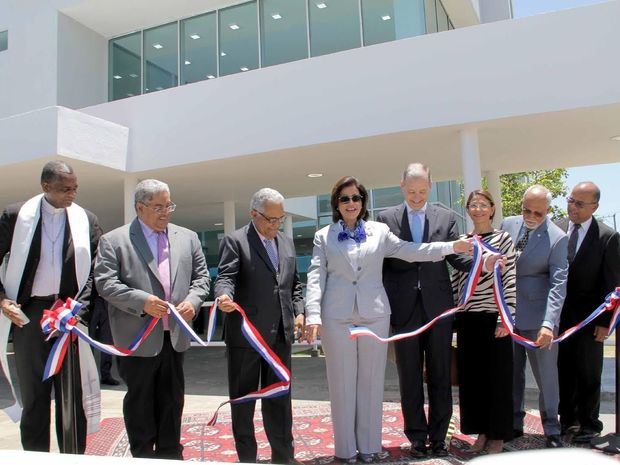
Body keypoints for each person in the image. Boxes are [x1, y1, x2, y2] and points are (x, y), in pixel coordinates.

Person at [304, 176, 475, 463]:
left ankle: (370, 447)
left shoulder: (380, 231)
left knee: (371, 382)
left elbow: (412, 251)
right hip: (337, 316)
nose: (351, 203)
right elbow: (314, 276)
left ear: (363, 202)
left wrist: (450, 247)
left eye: (356, 198)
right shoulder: (324, 236)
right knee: (342, 383)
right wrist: (313, 314)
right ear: (336, 203)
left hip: (374, 314)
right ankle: (345, 450)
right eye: (344, 198)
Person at [95, 179, 210, 459]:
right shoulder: (114, 240)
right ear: (139, 207)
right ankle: (143, 454)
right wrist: (142, 301)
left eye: (168, 205)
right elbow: (105, 284)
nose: (165, 212)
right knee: (140, 401)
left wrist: (193, 302)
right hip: (137, 338)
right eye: (158, 207)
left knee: (172, 400)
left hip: (175, 336)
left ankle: (171, 452)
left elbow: (202, 278)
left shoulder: (188, 237)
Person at [0, 160, 101, 453]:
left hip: (70, 314)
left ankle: (74, 456)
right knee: (36, 395)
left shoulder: (87, 219)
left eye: (75, 188)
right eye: (64, 189)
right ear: (46, 187)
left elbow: (97, 269)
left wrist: (79, 309)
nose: (72, 194)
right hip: (29, 316)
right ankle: (35, 456)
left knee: (73, 392)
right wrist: (3, 299)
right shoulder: (16, 215)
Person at [376, 163, 471, 457]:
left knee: (441, 374)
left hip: (438, 308)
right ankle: (417, 436)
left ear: (430, 186)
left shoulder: (445, 216)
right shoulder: (385, 218)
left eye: (422, 190)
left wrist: (483, 264)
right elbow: (380, 264)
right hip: (403, 308)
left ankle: (439, 436)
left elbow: (457, 259)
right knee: (409, 375)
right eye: (412, 190)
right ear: (402, 186)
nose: (417, 197)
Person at [215, 188, 305, 464]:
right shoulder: (236, 241)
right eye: (269, 219)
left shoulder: (286, 243)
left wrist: (300, 312)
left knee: (280, 401)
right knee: (244, 403)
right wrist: (224, 295)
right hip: (247, 339)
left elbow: (294, 286)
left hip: (281, 336)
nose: (275, 225)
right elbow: (225, 276)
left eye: (280, 219)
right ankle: (247, 459)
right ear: (253, 214)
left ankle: (283, 457)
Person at [500, 185, 567, 449]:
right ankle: (514, 423)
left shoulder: (557, 237)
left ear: (547, 211)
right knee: (512, 374)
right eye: (525, 209)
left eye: (537, 213)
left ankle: (551, 427)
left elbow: (558, 283)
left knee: (546, 377)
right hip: (508, 316)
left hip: (540, 321)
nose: (529, 216)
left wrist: (549, 323)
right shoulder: (508, 224)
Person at [452, 190, 516, 454]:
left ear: (492, 208)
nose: (477, 209)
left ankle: (498, 436)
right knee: (473, 380)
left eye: (482, 205)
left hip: (494, 318)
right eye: (472, 205)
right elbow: (456, 281)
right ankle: (480, 433)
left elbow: (511, 277)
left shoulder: (504, 239)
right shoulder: (462, 242)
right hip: (468, 319)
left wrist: (506, 317)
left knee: (498, 379)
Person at [556, 182, 620, 443]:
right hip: (558, 317)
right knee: (563, 371)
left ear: (595, 206)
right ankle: (568, 422)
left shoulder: (607, 236)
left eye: (580, 203)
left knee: (589, 373)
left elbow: (612, 283)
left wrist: (605, 323)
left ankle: (589, 424)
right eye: (571, 200)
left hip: (590, 319)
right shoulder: (555, 228)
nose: (573, 207)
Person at [88, 296, 120, 385]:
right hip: (91, 302)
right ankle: (89, 376)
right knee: (88, 340)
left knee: (108, 340)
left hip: (107, 301)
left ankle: (106, 375)